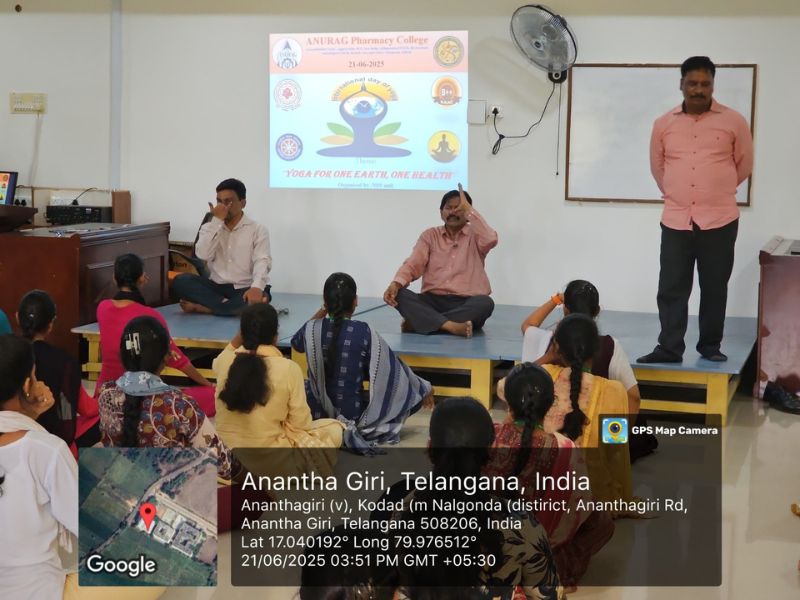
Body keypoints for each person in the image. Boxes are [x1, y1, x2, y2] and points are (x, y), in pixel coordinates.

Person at [638, 56, 754, 364]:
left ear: (713, 85)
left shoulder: (734, 121)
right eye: (692, 83)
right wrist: (680, 194)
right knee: (672, 287)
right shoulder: (664, 124)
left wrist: (714, 190)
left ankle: (710, 346)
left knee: (714, 286)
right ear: (681, 84)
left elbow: (744, 165)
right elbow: (658, 167)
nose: (699, 90)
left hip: (720, 219)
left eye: (705, 84)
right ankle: (669, 348)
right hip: (676, 219)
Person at [391, 397, 563, 599]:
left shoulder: (404, 511)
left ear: (430, 448)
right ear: (489, 451)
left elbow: (400, 584)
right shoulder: (521, 523)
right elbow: (548, 594)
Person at [486, 363, 613, 590]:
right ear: (551, 402)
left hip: (486, 545)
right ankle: (554, 571)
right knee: (601, 521)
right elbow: (579, 507)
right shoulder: (564, 447)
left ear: (508, 400)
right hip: (536, 548)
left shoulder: (488, 434)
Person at [292, 272, 431, 453]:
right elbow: (392, 369)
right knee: (402, 394)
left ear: (326, 301)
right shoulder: (363, 331)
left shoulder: (311, 328)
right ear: (355, 301)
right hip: (352, 414)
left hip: (316, 415)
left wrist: (323, 309)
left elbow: (297, 343)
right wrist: (424, 387)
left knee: (302, 386)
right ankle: (347, 427)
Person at [96, 316, 240, 480]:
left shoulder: (106, 394)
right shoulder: (177, 405)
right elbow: (224, 465)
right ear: (166, 356)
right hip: (169, 498)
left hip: (119, 487)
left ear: (123, 355)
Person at [213, 303, 344, 476]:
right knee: (334, 428)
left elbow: (225, 354)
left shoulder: (225, 361)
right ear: (275, 336)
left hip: (225, 463)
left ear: (241, 334)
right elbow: (301, 424)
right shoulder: (288, 368)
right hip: (272, 465)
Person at [0, 334, 78, 600]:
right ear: (26, 384)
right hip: (36, 590)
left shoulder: (41, 447)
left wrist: (29, 417)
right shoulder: (48, 450)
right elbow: (90, 528)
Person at [96, 253, 215, 416]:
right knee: (211, 397)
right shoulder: (149, 315)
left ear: (115, 279)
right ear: (142, 279)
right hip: (142, 396)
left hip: (104, 393)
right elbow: (175, 357)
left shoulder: (102, 308)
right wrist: (207, 384)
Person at [383, 184, 497, 337]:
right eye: (449, 208)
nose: (453, 212)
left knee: (485, 304)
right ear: (441, 212)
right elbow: (413, 264)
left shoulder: (476, 235)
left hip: (466, 302)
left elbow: (491, 239)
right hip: (432, 302)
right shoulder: (429, 236)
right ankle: (451, 326)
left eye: (459, 208)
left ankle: (422, 322)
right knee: (400, 295)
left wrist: (469, 210)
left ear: (467, 213)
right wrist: (395, 284)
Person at [542, 314, 632, 504]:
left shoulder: (545, 376)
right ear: (596, 349)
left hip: (544, 491)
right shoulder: (614, 392)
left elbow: (511, 384)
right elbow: (615, 450)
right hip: (593, 497)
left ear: (557, 348)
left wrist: (547, 357)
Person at [521, 280, 640, 415]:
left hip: (551, 434)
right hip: (595, 432)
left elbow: (528, 325)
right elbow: (633, 397)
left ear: (566, 309)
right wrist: (614, 436)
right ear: (597, 311)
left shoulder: (550, 343)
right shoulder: (611, 346)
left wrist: (556, 299)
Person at [17, 290, 100, 455]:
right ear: (50, 324)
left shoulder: (8, 355)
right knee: (103, 417)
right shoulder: (64, 361)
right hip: (57, 444)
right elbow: (88, 410)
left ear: (18, 317)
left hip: (13, 436)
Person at [173, 178, 272, 316]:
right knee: (180, 282)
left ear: (243, 203)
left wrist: (256, 288)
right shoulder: (210, 227)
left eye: (228, 202)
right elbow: (202, 255)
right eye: (219, 201)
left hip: (244, 288)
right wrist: (217, 221)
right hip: (216, 287)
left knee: (262, 295)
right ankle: (230, 308)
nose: (223, 207)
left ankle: (207, 309)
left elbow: (262, 261)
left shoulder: (258, 229)